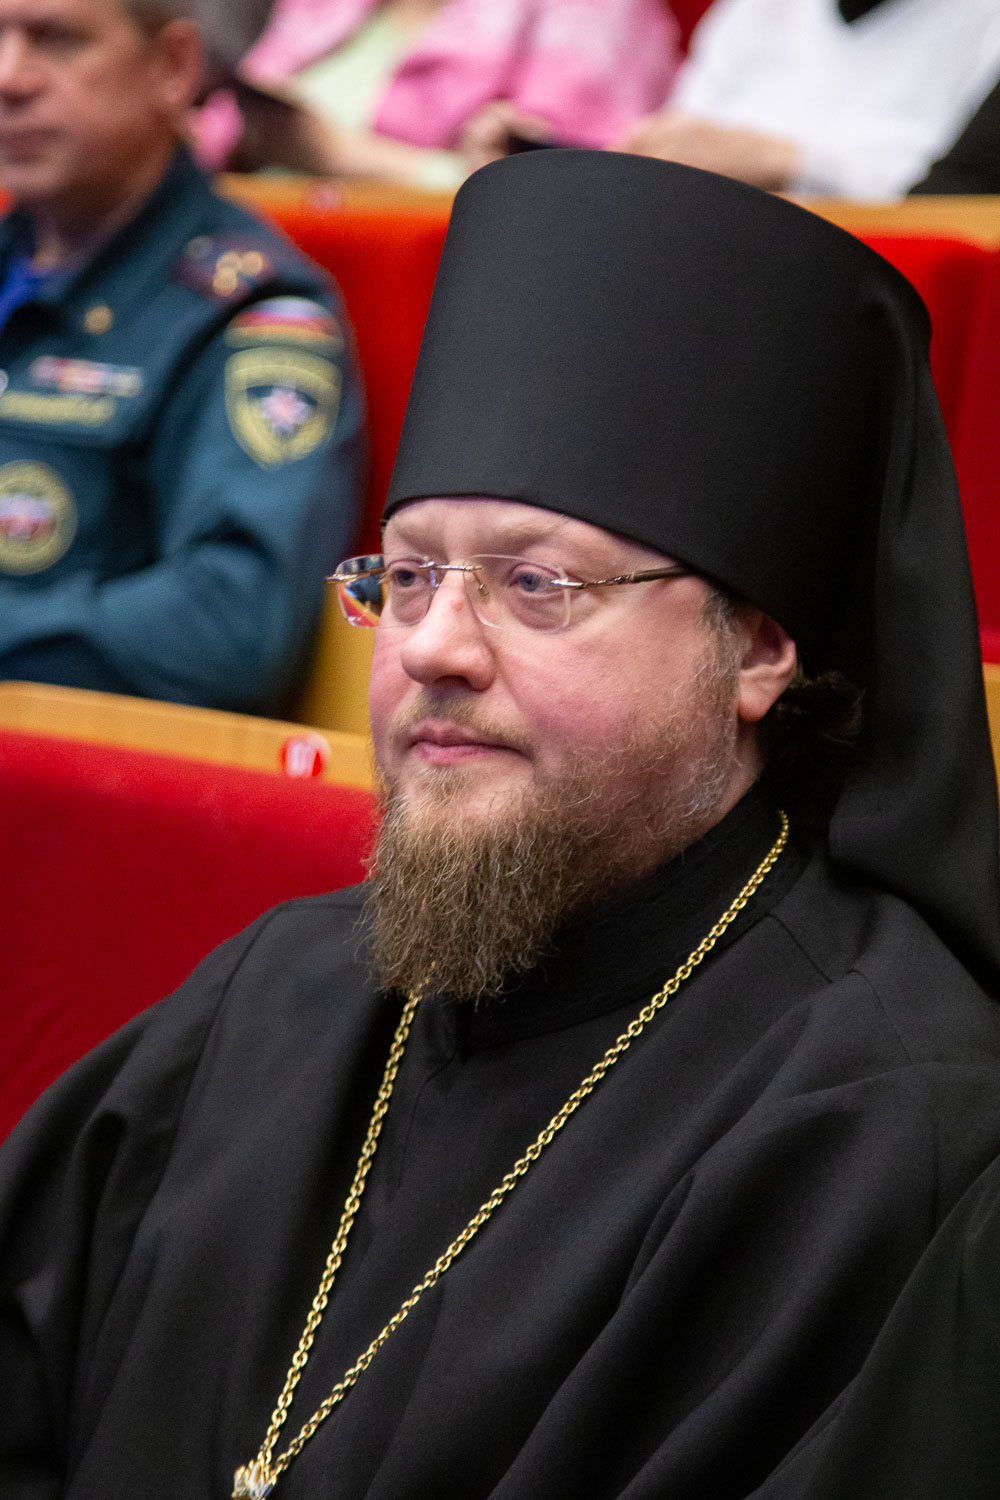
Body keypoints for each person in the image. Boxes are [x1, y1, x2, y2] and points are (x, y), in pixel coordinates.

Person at [4, 149, 1000, 1498]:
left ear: (760, 650)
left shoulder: (884, 1132)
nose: (434, 646)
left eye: (536, 584)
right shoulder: (275, 990)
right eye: (409, 576)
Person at [0, 0, 363, 713]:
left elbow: (229, 628)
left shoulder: (252, 310)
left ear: (173, 68)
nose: (9, 77)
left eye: (57, 39)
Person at [194, 0, 679, 188]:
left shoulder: (592, 14)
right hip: (256, 262)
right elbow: (227, 123)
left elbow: (573, 198)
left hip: (438, 297)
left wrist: (339, 155)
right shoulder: (328, 7)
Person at [620, 0, 1000, 200]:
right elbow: (678, 143)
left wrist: (789, 161)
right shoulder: (754, 10)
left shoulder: (983, 21)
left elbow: (959, 195)